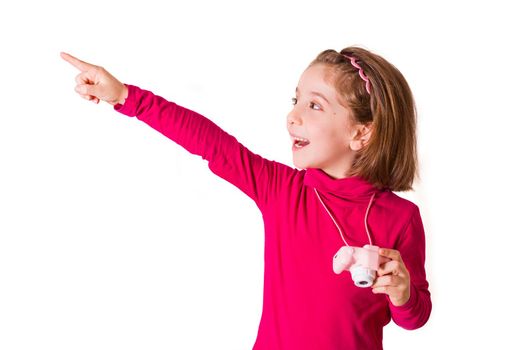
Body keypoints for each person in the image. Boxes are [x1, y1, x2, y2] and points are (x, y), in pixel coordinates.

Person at [61, 46, 431, 349]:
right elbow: (211, 144)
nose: (293, 115)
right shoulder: (282, 190)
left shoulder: (400, 218)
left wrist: (402, 293)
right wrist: (126, 96)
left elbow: (415, 318)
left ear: (361, 134)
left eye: (314, 105)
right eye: (296, 99)